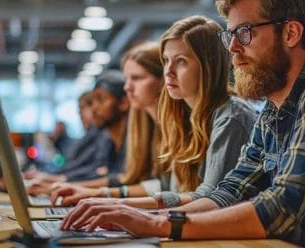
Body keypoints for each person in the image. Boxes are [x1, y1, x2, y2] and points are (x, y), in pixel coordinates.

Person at [59, 0, 305, 247]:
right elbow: (230, 191)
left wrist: (160, 225)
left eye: (245, 32)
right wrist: (142, 217)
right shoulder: (274, 108)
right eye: (230, 36)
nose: (233, 49)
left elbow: (287, 209)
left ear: (291, 32)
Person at [52, 16, 256, 208]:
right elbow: (165, 185)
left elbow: (210, 198)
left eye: (181, 61)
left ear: (208, 65)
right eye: (166, 60)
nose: (168, 71)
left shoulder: (230, 116)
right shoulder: (185, 116)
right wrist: (102, 198)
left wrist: (111, 202)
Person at [50, 41, 168, 203]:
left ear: (163, 81)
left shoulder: (165, 130)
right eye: (127, 80)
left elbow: (165, 188)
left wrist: (102, 195)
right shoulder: (142, 129)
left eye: (137, 78)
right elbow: (152, 184)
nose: (128, 88)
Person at [26, 71, 129, 194]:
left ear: (124, 103)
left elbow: (116, 178)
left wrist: (61, 183)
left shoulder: (110, 139)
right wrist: (59, 182)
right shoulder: (110, 140)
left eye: (100, 100)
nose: (94, 108)